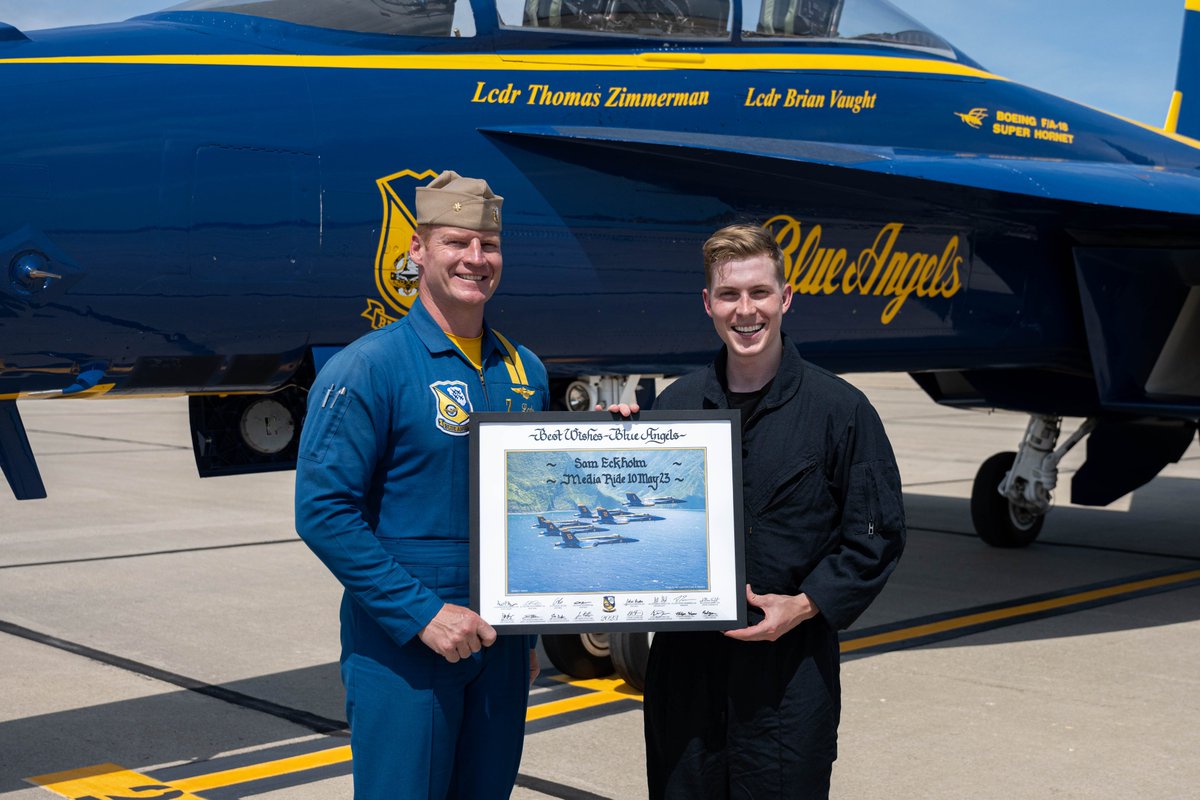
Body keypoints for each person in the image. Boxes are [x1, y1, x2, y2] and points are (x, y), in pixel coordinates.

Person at [294, 171, 547, 799]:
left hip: (503, 642)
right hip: (406, 644)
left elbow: (533, 504)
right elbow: (323, 511)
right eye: (456, 242)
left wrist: (534, 631)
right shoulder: (370, 366)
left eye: (488, 246)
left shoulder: (526, 370)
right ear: (417, 249)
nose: (475, 259)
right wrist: (422, 614)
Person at [643, 223, 906, 799]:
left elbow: (876, 535)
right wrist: (609, 452)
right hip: (686, 670)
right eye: (730, 295)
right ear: (708, 304)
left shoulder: (840, 410)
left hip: (790, 674)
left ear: (785, 298)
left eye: (760, 293)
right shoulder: (675, 406)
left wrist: (806, 604)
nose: (746, 311)